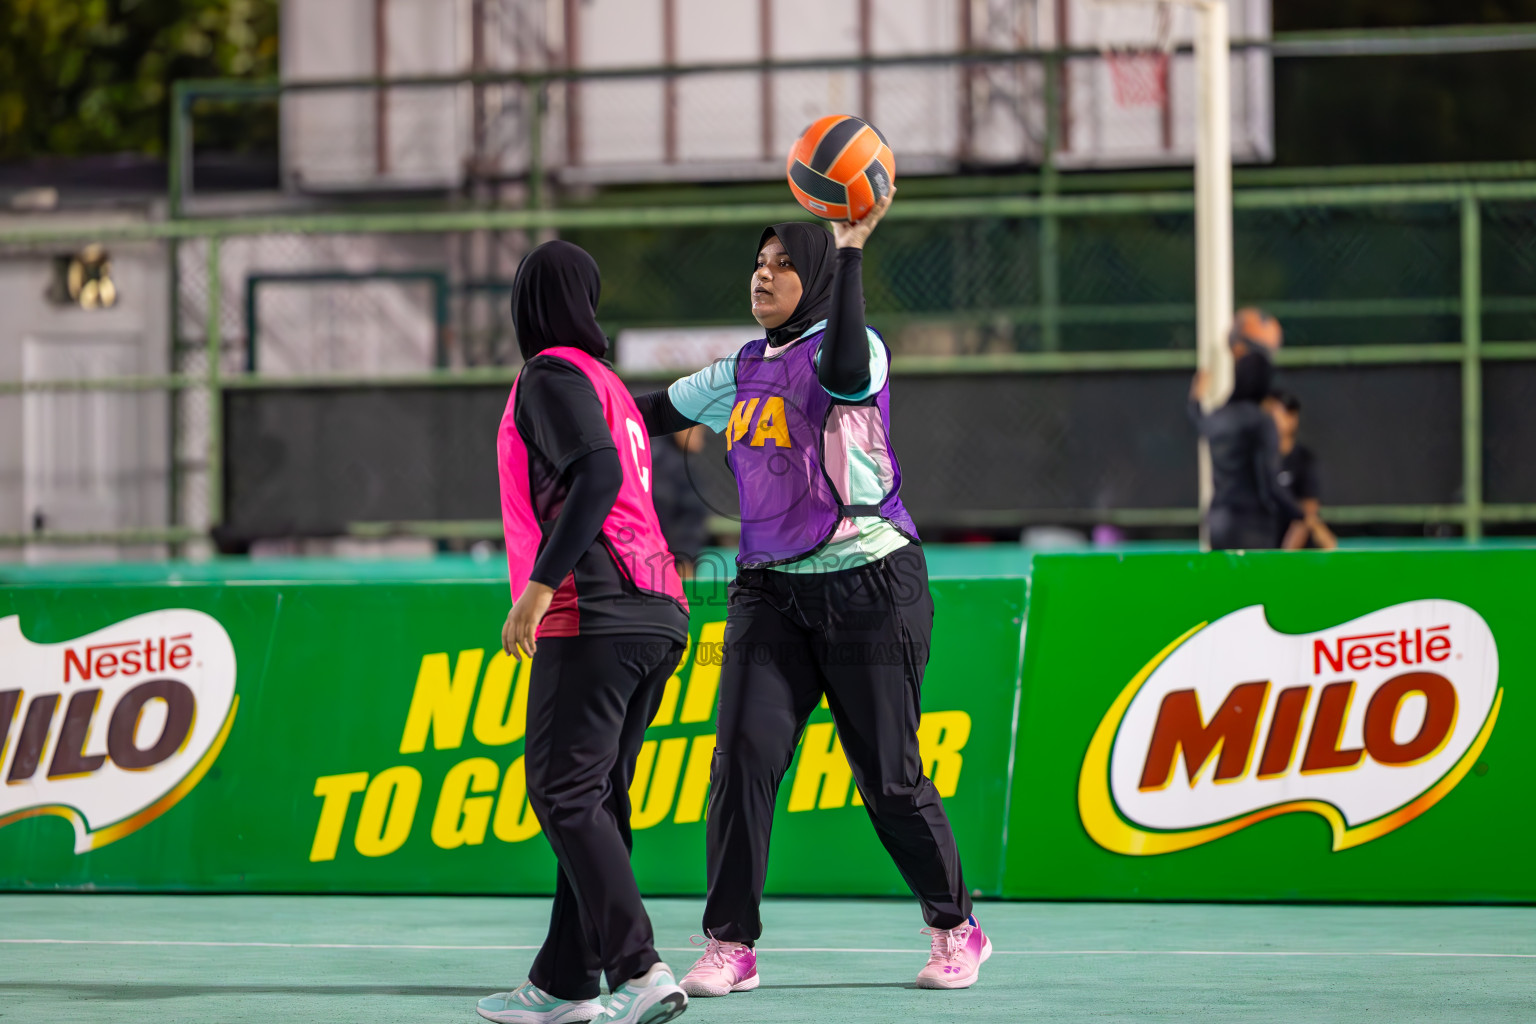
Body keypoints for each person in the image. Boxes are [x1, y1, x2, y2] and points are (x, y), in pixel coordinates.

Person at [633, 192, 989, 995]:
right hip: (770, 592)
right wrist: (572, 391)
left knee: (889, 778)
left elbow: (843, 373)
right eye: (759, 264)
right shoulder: (741, 369)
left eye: (785, 265)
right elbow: (649, 413)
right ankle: (731, 943)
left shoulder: (859, 347)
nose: (764, 276)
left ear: (820, 279)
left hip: (872, 583)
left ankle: (956, 927)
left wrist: (853, 248)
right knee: (741, 762)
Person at [480, 240, 691, 1024]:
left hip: (594, 606)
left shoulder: (549, 376)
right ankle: (566, 982)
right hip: (656, 605)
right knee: (595, 798)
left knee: (563, 792)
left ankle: (637, 969)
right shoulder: (609, 385)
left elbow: (596, 476)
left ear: (527, 305)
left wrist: (536, 590)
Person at [1189, 343, 1306, 551]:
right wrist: (1299, 513)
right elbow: (1270, 480)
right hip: (1252, 521)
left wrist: (1195, 399)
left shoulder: (1219, 417)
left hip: (1218, 519)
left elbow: (1200, 422)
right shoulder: (1261, 421)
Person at [1267, 389, 1338, 550]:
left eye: (1279, 412)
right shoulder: (1260, 460)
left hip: (1294, 555)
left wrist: (1285, 558)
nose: (1272, 418)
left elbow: (1308, 513)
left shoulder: (1304, 460)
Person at [650, 425, 711, 579]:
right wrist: (684, 560)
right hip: (658, 564)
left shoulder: (679, 462)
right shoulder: (663, 462)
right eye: (694, 425)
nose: (700, 432)